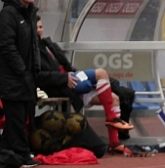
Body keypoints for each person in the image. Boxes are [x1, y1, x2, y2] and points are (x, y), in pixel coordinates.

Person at [35, 19, 135, 154]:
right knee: (101, 73)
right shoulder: (32, 50)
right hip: (63, 84)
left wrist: (73, 73)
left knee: (115, 99)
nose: (39, 30)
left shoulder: (48, 43)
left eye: (41, 27)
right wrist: (64, 78)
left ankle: (114, 143)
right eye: (36, 27)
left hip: (73, 78)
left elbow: (66, 65)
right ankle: (112, 118)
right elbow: (38, 76)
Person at [0, 0, 42, 168]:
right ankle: (21, 153)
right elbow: (6, 46)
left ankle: (10, 152)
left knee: (24, 115)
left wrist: (34, 70)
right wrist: (21, 69)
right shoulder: (8, 14)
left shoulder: (30, 13)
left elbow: (33, 45)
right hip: (12, 77)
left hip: (28, 76)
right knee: (16, 117)